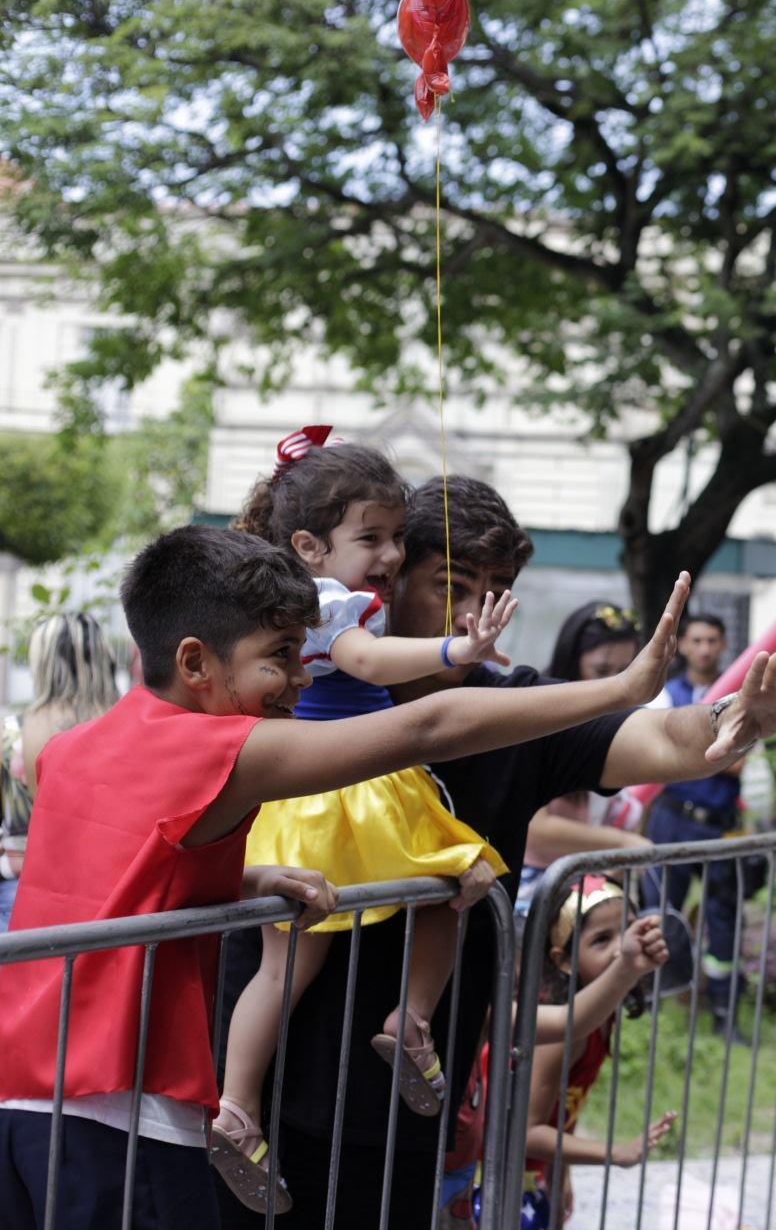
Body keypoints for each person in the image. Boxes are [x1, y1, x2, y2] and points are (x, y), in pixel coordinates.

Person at [0, 523, 681, 1230]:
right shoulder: (213, 747)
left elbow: (113, 873)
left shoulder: (76, 746)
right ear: (196, 662)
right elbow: (428, 728)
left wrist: (243, 879)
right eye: (281, 656)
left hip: (21, 1095)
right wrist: (621, 691)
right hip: (123, 1115)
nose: (303, 675)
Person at [212, 476, 776, 1230]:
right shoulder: (293, 692)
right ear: (383, 579)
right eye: (451, 585)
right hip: (266, 1094)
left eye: (497, 589)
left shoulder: (519, 707)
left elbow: (660, 737)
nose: (475, 613)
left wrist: (736, 719)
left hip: (409, 1106)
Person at [213, 432, 518, 1210]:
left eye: (394, 539)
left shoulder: (287, 603)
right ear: (311, 545)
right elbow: (375, 667)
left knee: (438, 891)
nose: (388, 555)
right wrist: (460, 647)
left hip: (334, 790)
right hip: (346, 787)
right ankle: (399, 1028)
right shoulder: (331, 606)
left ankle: (251, 1098)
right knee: (460, 879)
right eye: (372, 538)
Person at [513, 878, 677, 1230]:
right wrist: (615, 1153)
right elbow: (523, 1131)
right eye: (602, 940)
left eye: (627, 930)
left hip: (532, 1177)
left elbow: (561, 1111)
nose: (623, 949)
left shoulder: (603, 1014)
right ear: (564, 960)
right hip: (501, 1182)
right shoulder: (562, 1035)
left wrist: (559, 1178)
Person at [641, 610, 757, 1043]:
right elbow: (654, 752)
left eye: (713, 640)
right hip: (672, 816)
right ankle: (648, 1003)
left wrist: (686, 751)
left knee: (723, 917)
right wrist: (711, 751)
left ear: (724, 645)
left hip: (719, 824)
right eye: (697, 640)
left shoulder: (742, 694)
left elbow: (740, 760)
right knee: (659, 911)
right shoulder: (665, 693)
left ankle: (724, 1012)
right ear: (684, 645)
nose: (705, 648)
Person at [517, 601, 651, 922]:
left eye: (627, 670)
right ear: (571, 661)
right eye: (602, 671)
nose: (619, 684)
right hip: (534, 900)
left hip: (596, 896)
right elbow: (535, 828)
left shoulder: (625, 722)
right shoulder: (539, 716)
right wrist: (622, 843)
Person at [1, 612, 121, 931]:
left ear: (41, 661)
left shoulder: (10, 734)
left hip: (22, 891)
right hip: (107, 894)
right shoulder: (125, 728)